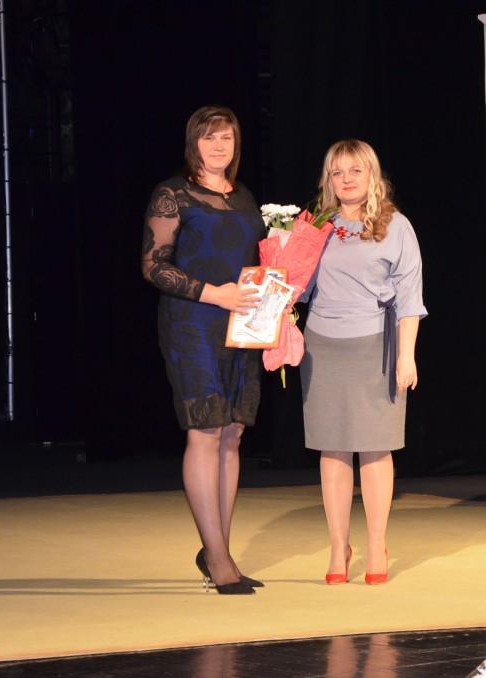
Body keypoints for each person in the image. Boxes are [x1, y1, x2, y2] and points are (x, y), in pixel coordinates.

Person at [141, 105, 265, 595]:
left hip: (241, 324)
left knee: (232, 432)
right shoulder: (172, 194)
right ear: (194, 143)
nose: (218, 146)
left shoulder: (244, 196)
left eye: (226, 138)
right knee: (206, 430)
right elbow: (153, 266)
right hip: (191, 323)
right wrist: (215, 294)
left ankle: (219, 550)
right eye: (209, 137)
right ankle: (217, 557)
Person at [300, 139, 427, 585]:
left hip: (375, 343)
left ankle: (376, 544)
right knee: (332, 447)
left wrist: (407, 355)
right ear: (328, 180)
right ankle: (339, 547)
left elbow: (410, 298)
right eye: (337, 172)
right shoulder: (315, 225)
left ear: (372, 175)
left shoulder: (396, 226)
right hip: (321, 344)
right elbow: (295, 288)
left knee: (375, 446)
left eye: (355, 170)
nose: (346, 179)